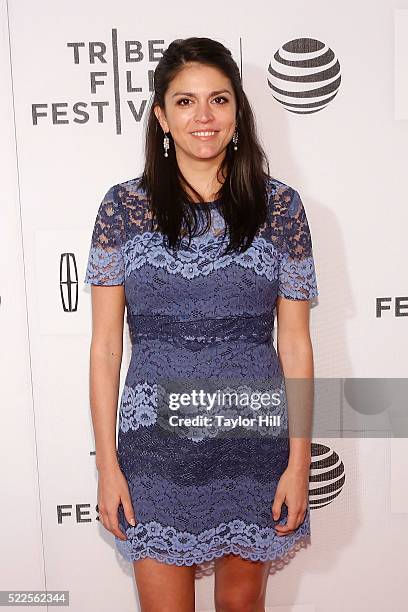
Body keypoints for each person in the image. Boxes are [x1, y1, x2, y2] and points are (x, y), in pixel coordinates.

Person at [84, 36, 319, 612]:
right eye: (185, 102)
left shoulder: (281, 208)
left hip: (253, 440)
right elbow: (106, 348)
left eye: (218, 99)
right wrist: (108, 467)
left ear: (238, 111)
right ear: (161, 116)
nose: (204, 116)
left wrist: (297, 461)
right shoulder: (123, 209)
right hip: (155, 451)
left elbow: (294, 341)